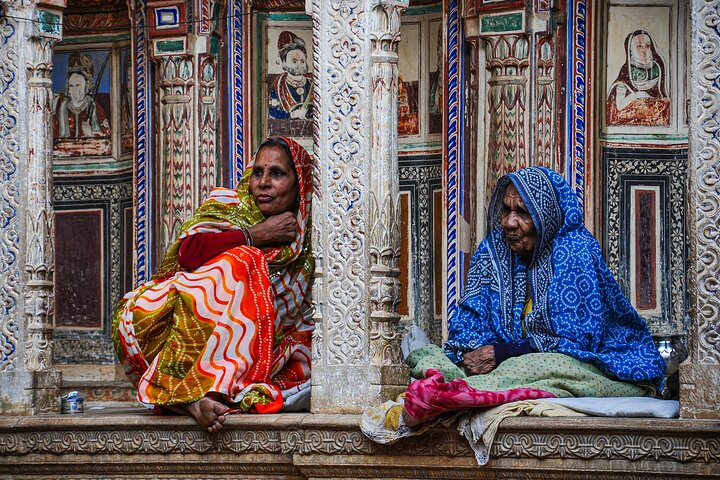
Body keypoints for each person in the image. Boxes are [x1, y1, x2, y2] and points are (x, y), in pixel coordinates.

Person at [362, 166, 666, 436]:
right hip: (506, 364)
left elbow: (578, 340)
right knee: (434, 355)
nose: (509, 222)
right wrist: (471, 354)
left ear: (544, 217)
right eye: (506, 210)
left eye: (522, 213)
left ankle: (445, 395)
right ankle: (451, 387)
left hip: (591, 362)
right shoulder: (494, 250)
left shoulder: (575, 252)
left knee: (540, 366)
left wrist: (503, 352)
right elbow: (470, 318)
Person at [112, 137, 314, 432]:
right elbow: (187, 252)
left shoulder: (308, 238)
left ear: (300, 184)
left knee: (308, 353)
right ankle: (208, 390)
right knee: (244, 260)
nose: (264, 182)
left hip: (259, 347)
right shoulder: (230, 205)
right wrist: (255, 235)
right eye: (258, 172)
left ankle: (195, 401)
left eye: (277, 174)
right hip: (177, 323)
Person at [607, 30, 669, 125]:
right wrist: (636, 96)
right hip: (631, 118)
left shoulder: (657, 68)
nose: (644, 50)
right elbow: (619, 106)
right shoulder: (627, 71)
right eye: (639, 46)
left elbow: (663, 95)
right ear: (630, 50)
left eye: (647, 46)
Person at [53, 52, 111, 138]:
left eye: (78, 85)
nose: (74, 90)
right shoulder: (62, 107)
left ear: (87, 86)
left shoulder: (94, 107)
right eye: (71, 86)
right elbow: (53, 134)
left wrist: (92, 133)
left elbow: (107, 136)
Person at [268, 31, 313, 121]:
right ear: (284, 63)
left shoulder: (311, 83)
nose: (299, 65)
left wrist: (308, 113)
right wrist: (292, 115)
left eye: (302, 61)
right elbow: (273, 111)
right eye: (294, 61)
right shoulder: (278, 85)